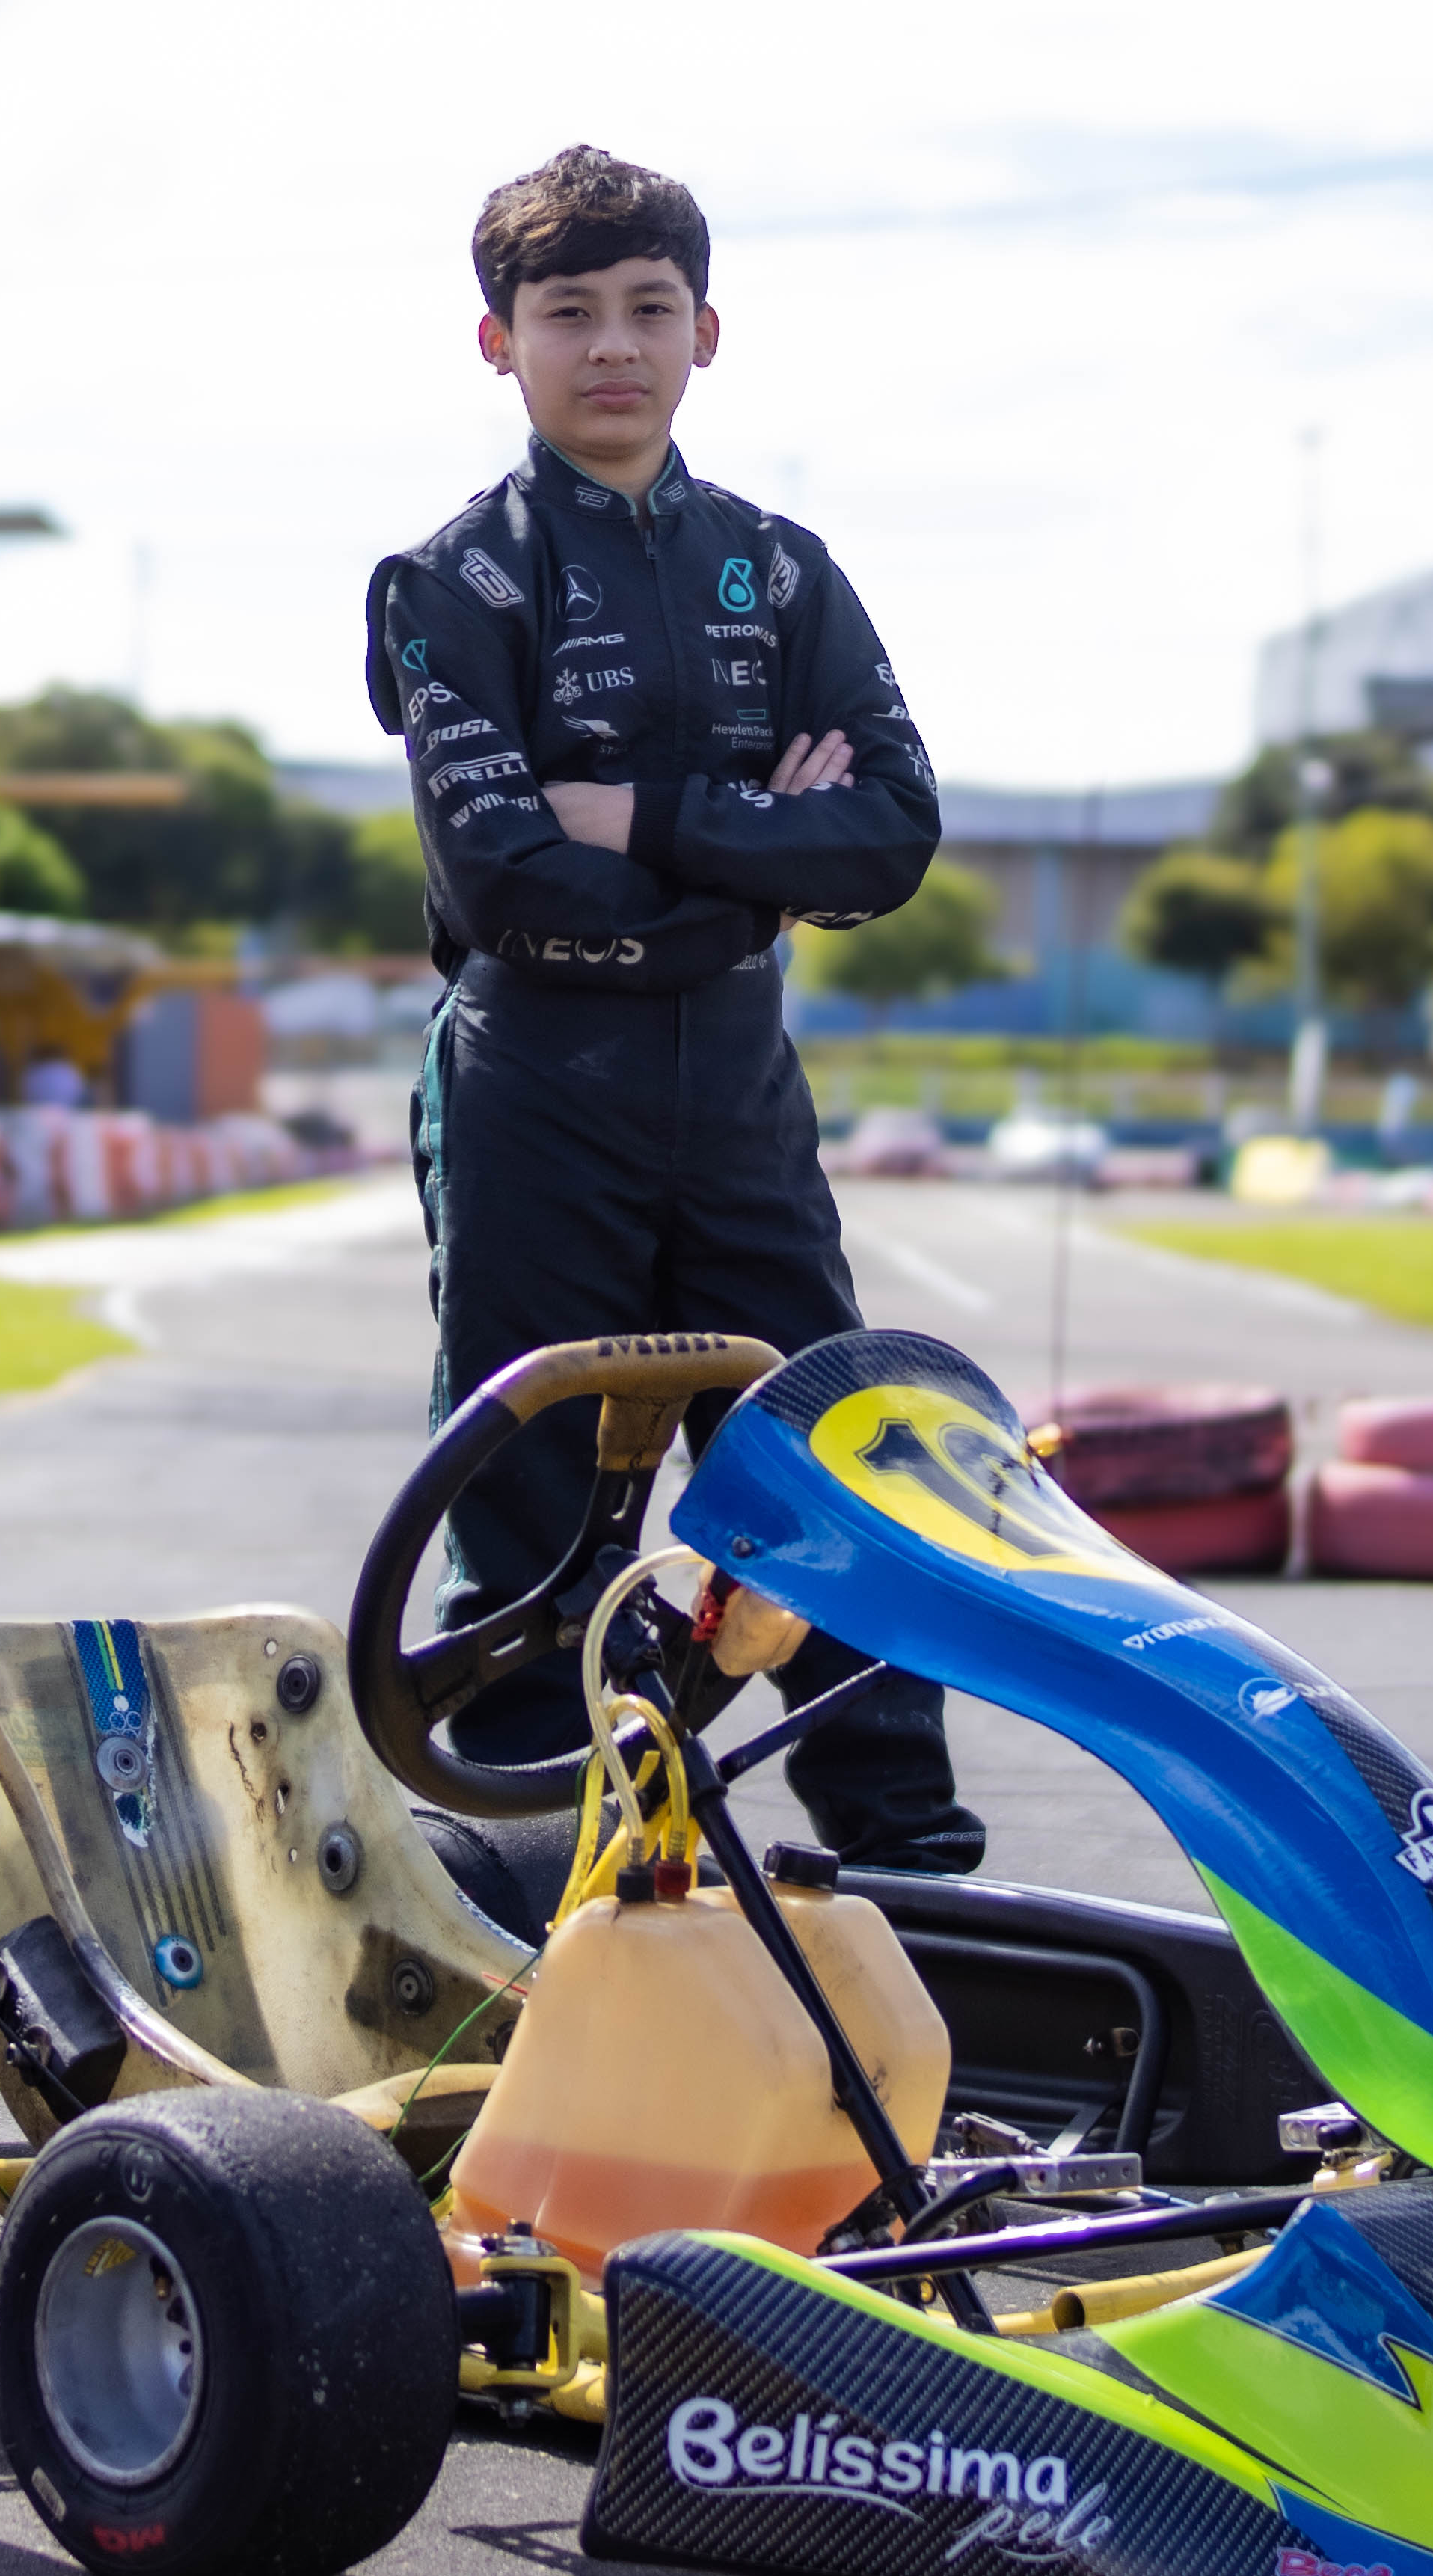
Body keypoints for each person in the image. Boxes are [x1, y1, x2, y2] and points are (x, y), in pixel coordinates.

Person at [364, 144, 981, 1872]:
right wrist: (768, 840)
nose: (610, 346)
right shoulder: (448, 585)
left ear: (706, 332)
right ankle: (518, 1874)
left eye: (647, 310)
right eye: (568, 314)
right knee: (534, 1492)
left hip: (735, 1081)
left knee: (830, 1461)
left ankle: (902, 1856)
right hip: (529, 1078)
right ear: (499, 342)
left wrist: (636, 815)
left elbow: (895, 834)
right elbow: (501, 876)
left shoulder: (781, 575)